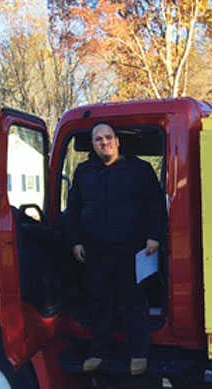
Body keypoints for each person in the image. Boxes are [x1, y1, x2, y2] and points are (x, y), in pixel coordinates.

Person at [66, 122, 166, 375]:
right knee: (99, 301)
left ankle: (138, 355)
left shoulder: (139, 170)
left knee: (132, 301)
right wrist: (76, 240)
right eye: (98, 139)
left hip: (131, 249)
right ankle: (99, 352)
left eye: (108, 137)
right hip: (95, 249)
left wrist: (154, 236)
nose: (104, 142)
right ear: (93, 144)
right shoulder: (84, 172)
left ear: (117, 141)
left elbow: (156, 204)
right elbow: (74, 210)